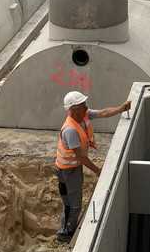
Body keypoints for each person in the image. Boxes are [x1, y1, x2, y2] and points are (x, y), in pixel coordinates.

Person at [55, 90, 130, 242]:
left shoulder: (84, 115)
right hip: (67, 171)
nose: (86, 107)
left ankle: (68, 229)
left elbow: (103, 113)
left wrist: (121, 108)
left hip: (73, 167)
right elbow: (81, 157)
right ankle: (65, 233)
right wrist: (97, 170)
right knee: (72, 204)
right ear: (73, 109)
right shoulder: (70, 130)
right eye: (83, 105)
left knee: (73, 201)